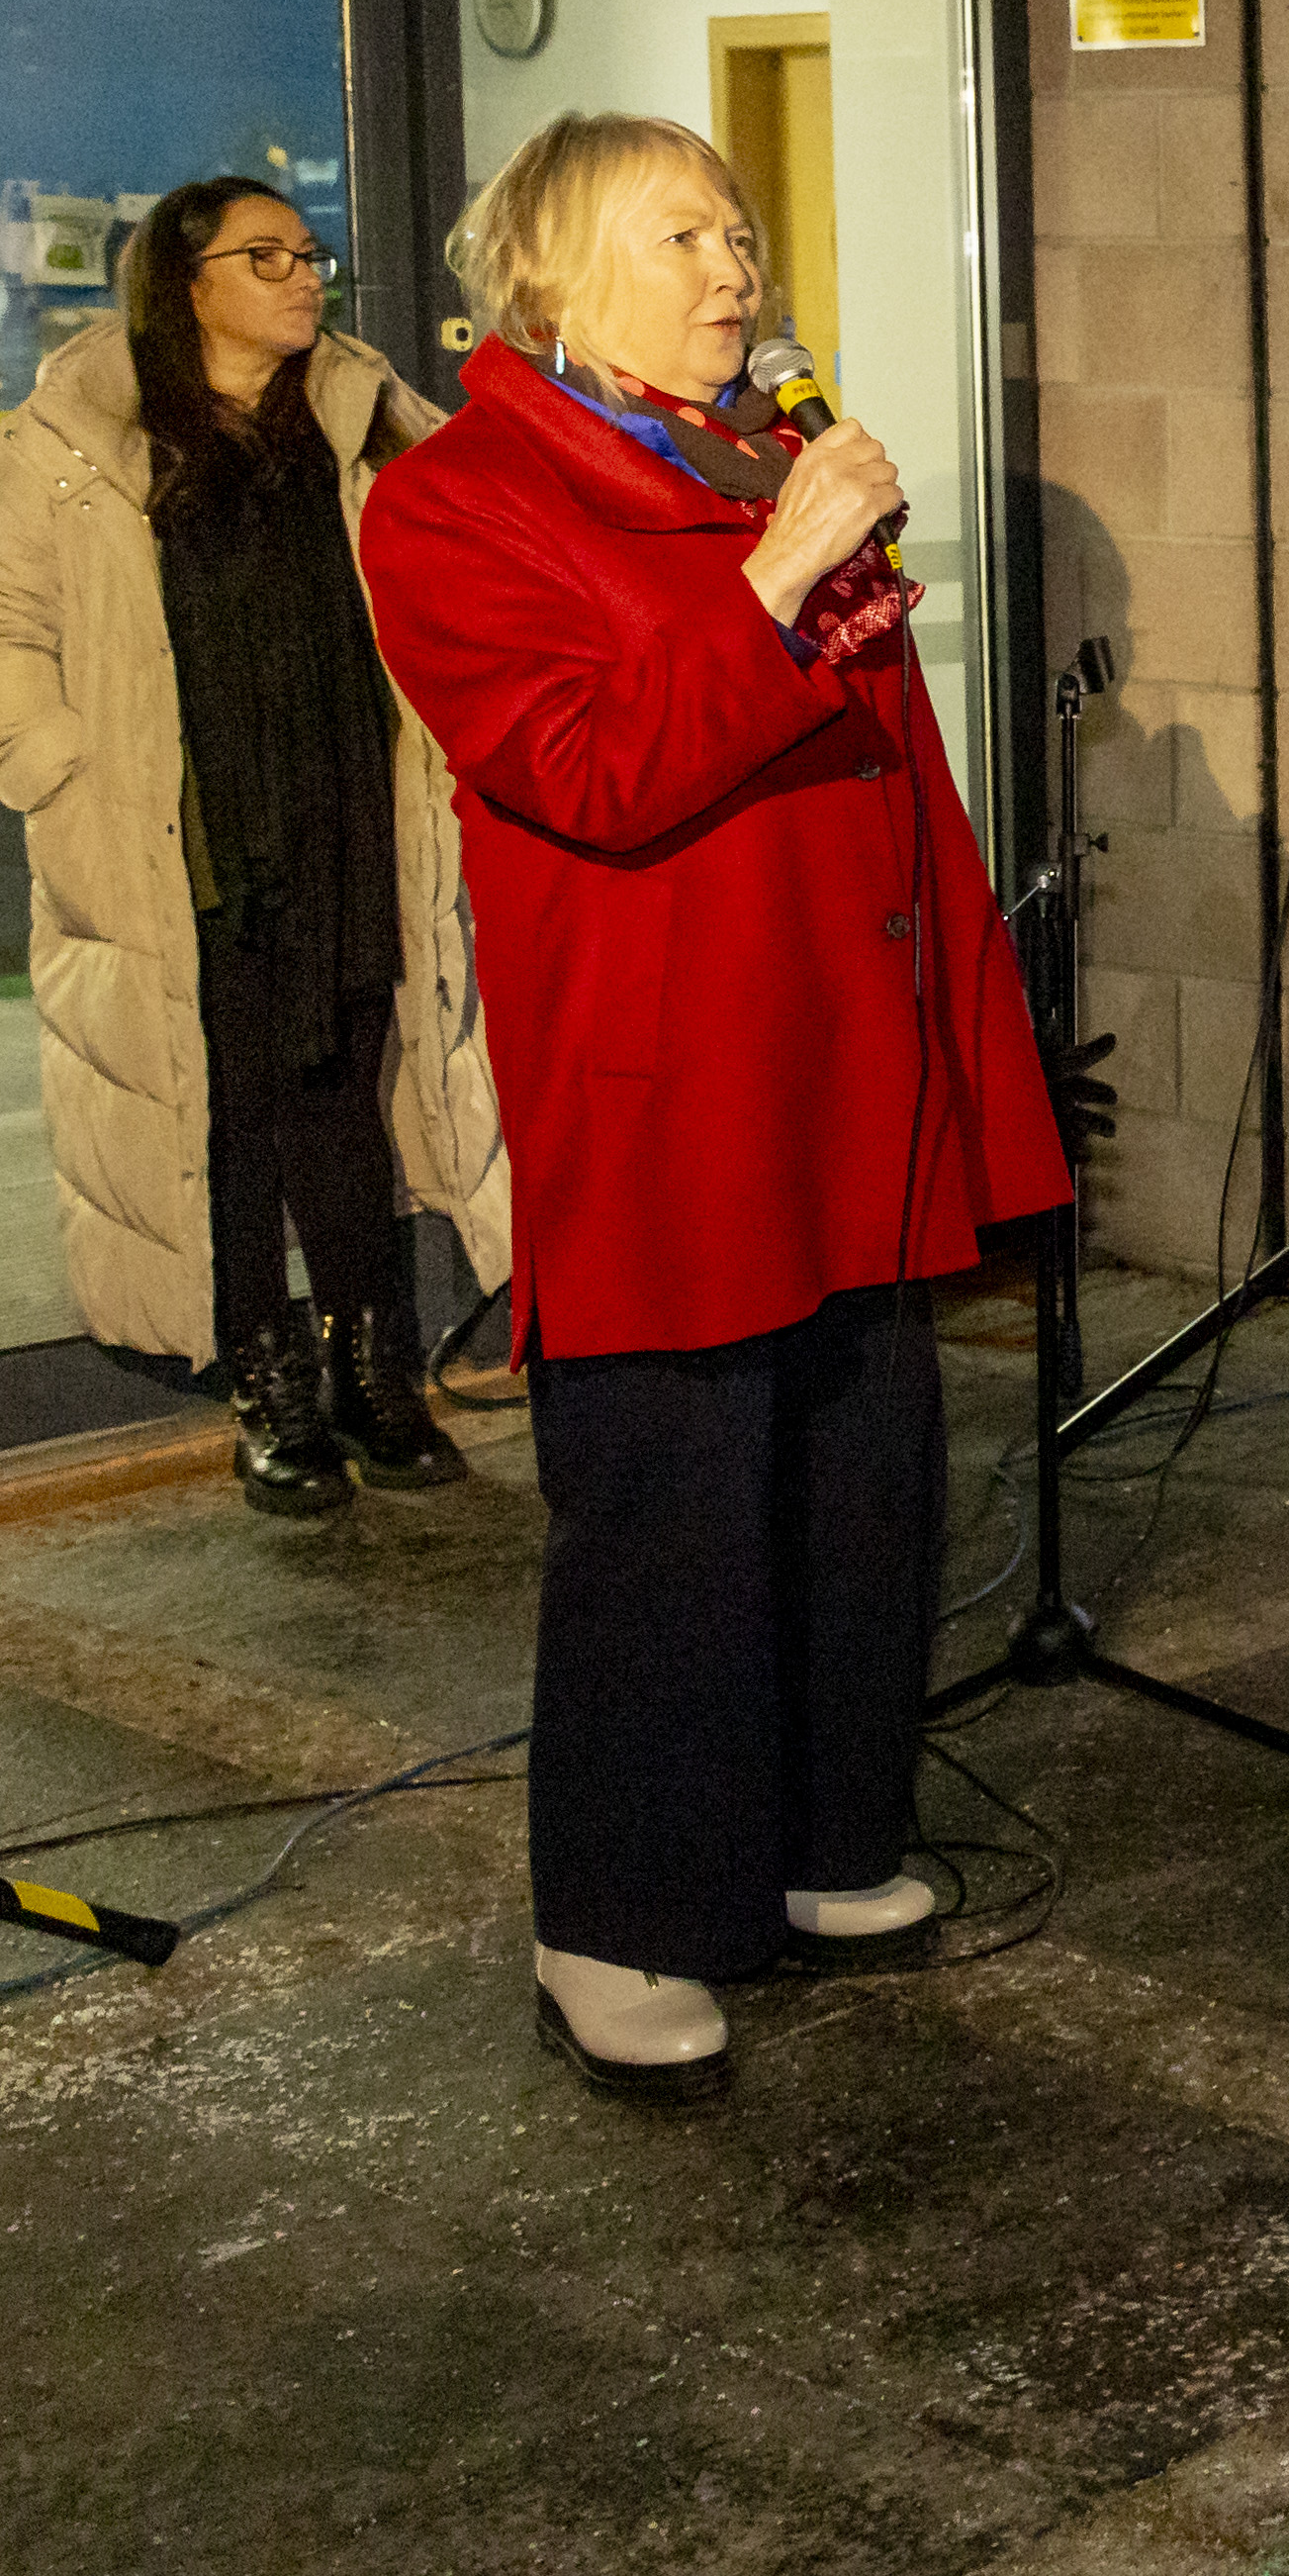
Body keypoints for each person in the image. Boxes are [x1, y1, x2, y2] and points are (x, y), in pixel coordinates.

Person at [357, 111, 1067, 2105]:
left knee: (859, 1462)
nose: (734, 265)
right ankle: (623, 1916)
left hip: (852, 1058)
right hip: (674, 1079)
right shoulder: (458, 502)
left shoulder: (762, 452)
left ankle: (826, 1840)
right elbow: (591, 769)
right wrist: (775, 573)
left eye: (740, 228)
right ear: (552, 279)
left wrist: (960, 1042)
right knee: (665, 1513)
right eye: (680, 233)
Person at [0, 179, 506, 1506]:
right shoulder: (72, 442)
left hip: (341, 817)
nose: (303, 276)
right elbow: (7, 629)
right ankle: (265, 1384)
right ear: (186, 284)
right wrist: (57, 769)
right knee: (212, 1116)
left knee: (341, 1104)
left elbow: (472, 557)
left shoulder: (362, 417)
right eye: (264, 256)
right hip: (178, 841)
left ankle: (370, 1371)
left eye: (308, 253)